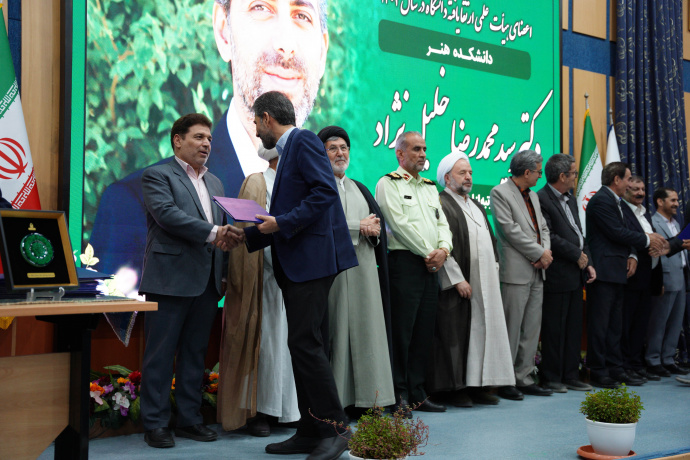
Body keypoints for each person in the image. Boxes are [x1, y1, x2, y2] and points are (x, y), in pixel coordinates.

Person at [89, 0, 330, 283]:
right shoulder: (134, 207)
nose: (286, 45)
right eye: (261, 7)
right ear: (223, 31)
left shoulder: (331, 202)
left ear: (322, 52)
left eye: (302, 15)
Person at [243, 91, 357, 460]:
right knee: (302, 345)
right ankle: (311, 430)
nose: (256, 131)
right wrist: (243, 236)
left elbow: (324, 193)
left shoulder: (303, 140)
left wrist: (280, 223)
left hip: (311, 263)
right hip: (302, 263)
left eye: (256, 123)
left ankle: (337, 429)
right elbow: (287, 216)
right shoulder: (290, 149)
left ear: (266, 118)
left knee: (306, 344)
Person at [138, 113, 242, 448]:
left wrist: (223, 272)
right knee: (160, 355)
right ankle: (155, 424)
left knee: (195, 354)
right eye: (198, 137)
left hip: (207, 283)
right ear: (177, 140)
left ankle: (189, 420)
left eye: (209, 139)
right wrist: (215, 232)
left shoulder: (215, 183)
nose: (206, 144)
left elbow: (222, 234)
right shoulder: (157, 175)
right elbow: (168, 216)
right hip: (169, 280)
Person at [217, 145, 299, 437]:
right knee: (266, 346)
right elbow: (249, 233)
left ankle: (288, 410)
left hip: (296, 279)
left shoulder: (301, 187)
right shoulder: (257, 182)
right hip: (265, 279)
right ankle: (260, 411)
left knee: (289, 346)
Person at [316, 125, 395, 412]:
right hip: (333, 274)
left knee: (368, 332)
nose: (340, 153)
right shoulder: (315, 186)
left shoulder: (360, 187)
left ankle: (370, 400)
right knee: (337, 333)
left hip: (364, 273)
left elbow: (376, 226)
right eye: (332, 148)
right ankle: (339, 402)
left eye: (344, 148)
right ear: (321, 153)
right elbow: (317, 225)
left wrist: (373, 230)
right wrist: (357, 227)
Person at [375, 131, 453, 416]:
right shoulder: (388, 183)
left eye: (424, 149)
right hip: (405, 265)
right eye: (416, 149)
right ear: (400, 154)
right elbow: (398, 224)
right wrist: (429, 252)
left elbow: (442, 224)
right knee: (402, 333)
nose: (422, 154)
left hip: (431, 266)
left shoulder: (430, 187)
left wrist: (444, 250)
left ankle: (418, 393)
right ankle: (398, 395)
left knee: (423, 332)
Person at [430, 152, 514, 407]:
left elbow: (490, 241)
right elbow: (440, 244)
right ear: (447, 178)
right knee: (456, 336)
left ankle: (478, 385)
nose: (468, 177)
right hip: (460, 285)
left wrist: (494, 269)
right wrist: (457, 279)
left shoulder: (475, 204)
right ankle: (454, 389)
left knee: (482, 335)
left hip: (485, 283)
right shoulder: (441, 203)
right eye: (462, 173)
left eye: (470, 173)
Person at [585, 162, 667, 388]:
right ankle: (598, 371)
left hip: (617, 271)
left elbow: (622, 234)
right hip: (603, 271)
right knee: (600, 326)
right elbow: (616, 232)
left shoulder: (615, 201)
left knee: (615, 326)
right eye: (629, 179)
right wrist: (648, 239)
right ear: (616, 180)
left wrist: (633, 254)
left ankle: (615, 368)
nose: (631, 184)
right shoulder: (601, 200)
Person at [490, 149, 553, 400]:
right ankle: (506, 381)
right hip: (516, 271)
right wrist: (538, 253)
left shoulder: (534, 195)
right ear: (526, 172)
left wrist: (545, 252)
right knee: (512, 328)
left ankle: (524, 377)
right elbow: (509, 230)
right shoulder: (499, 192)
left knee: (531, 328)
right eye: (538, 172)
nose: (540, 176)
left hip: (538, 270)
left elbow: (543, 228)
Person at [537, 154, 595, 393]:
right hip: (557, 273)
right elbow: (549, 236)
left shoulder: (571, 200)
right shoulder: (541, 198)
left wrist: (588, 260)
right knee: (554, 329)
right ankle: (551, 377)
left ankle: (571, 375)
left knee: (573, 328)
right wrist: (576, 254)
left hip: (576, 273)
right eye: (574, 173)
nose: (575, 177)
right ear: (562, 176)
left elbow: (579, 233)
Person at [647, 187, 688, 376]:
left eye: (677, 200)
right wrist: (659, 281)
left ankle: (669, 359)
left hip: (681, 276)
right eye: (672, 200)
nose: (677, 204)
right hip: (665, 277)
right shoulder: (652, 223)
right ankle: (653, 359)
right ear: (660, 202)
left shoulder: (677, 223)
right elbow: (656, 254)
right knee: (659, 321)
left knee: (675, 322)